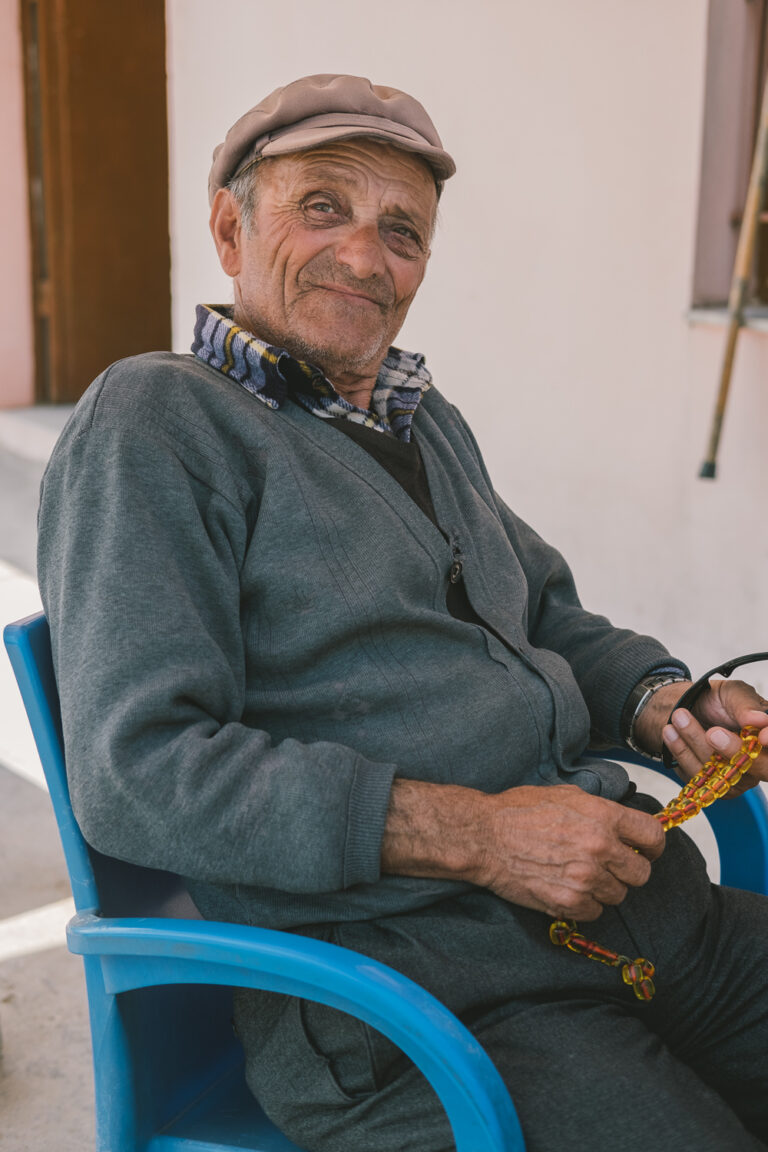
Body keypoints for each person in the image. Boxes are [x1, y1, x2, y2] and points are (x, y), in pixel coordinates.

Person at [37, 74, 768, 1152]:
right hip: (420, 997)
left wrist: (666, 703)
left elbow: (548, 619)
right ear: (231, 226)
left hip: (646, 917)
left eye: (403, 232)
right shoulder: (158, 422)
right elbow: (141, 771)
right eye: (322, 207)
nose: (366, 258)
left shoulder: (423, 421)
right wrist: (480, 835)